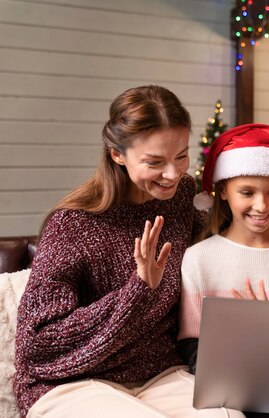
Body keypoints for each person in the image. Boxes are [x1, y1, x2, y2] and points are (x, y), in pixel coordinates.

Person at [13, 85, 244, 418]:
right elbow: (39, 341)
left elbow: (220, 250)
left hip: (158, 372)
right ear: (117, 154)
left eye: (181, 156)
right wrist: (137, 289)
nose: (172, 173)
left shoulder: (181, 199)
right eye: (154, 162)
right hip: (72, 381)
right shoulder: (72, 224)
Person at [177, 123, 269, 375]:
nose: (261, 206)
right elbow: (192, 343)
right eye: (247, 192)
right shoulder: (198, 259)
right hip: (232, 381)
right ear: (223, 191)